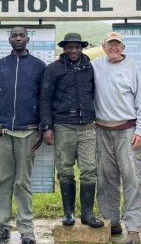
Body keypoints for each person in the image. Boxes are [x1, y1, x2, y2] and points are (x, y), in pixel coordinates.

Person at [0, 26, 46, 244]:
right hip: (3, 132)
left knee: (23, 182)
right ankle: (2, 227)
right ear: (9, 39)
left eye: (22, 35)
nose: (18, 38)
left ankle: (27, 229)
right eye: (14, 35)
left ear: (28, 39)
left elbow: (44, 99)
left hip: (28, 131)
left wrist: (43, 127)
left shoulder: (38, 66)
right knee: (3, 181)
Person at [39, 33, 103, 229]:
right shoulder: (53, 69)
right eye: (69, 47)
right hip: (63, 126)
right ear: (64, 49)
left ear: (82, 48)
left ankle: (87, 214)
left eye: (77, 47)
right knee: (65, 170)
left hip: (87, 127)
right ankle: (68, 214)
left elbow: (94, 93)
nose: (73, 51)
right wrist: (47, 127)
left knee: (89, 170)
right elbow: (45, 99)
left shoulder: (90, 67)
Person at [92, 31, 141, 244]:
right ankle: (112, 223)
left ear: (123, 47)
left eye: (117, 45)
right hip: (102, 130)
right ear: (103, 46)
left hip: (128, 130)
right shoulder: (96, 66)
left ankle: (133, 228)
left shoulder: (132, 67)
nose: (114, 48)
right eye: (110, 44)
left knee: (132, 179)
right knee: (106, 179)